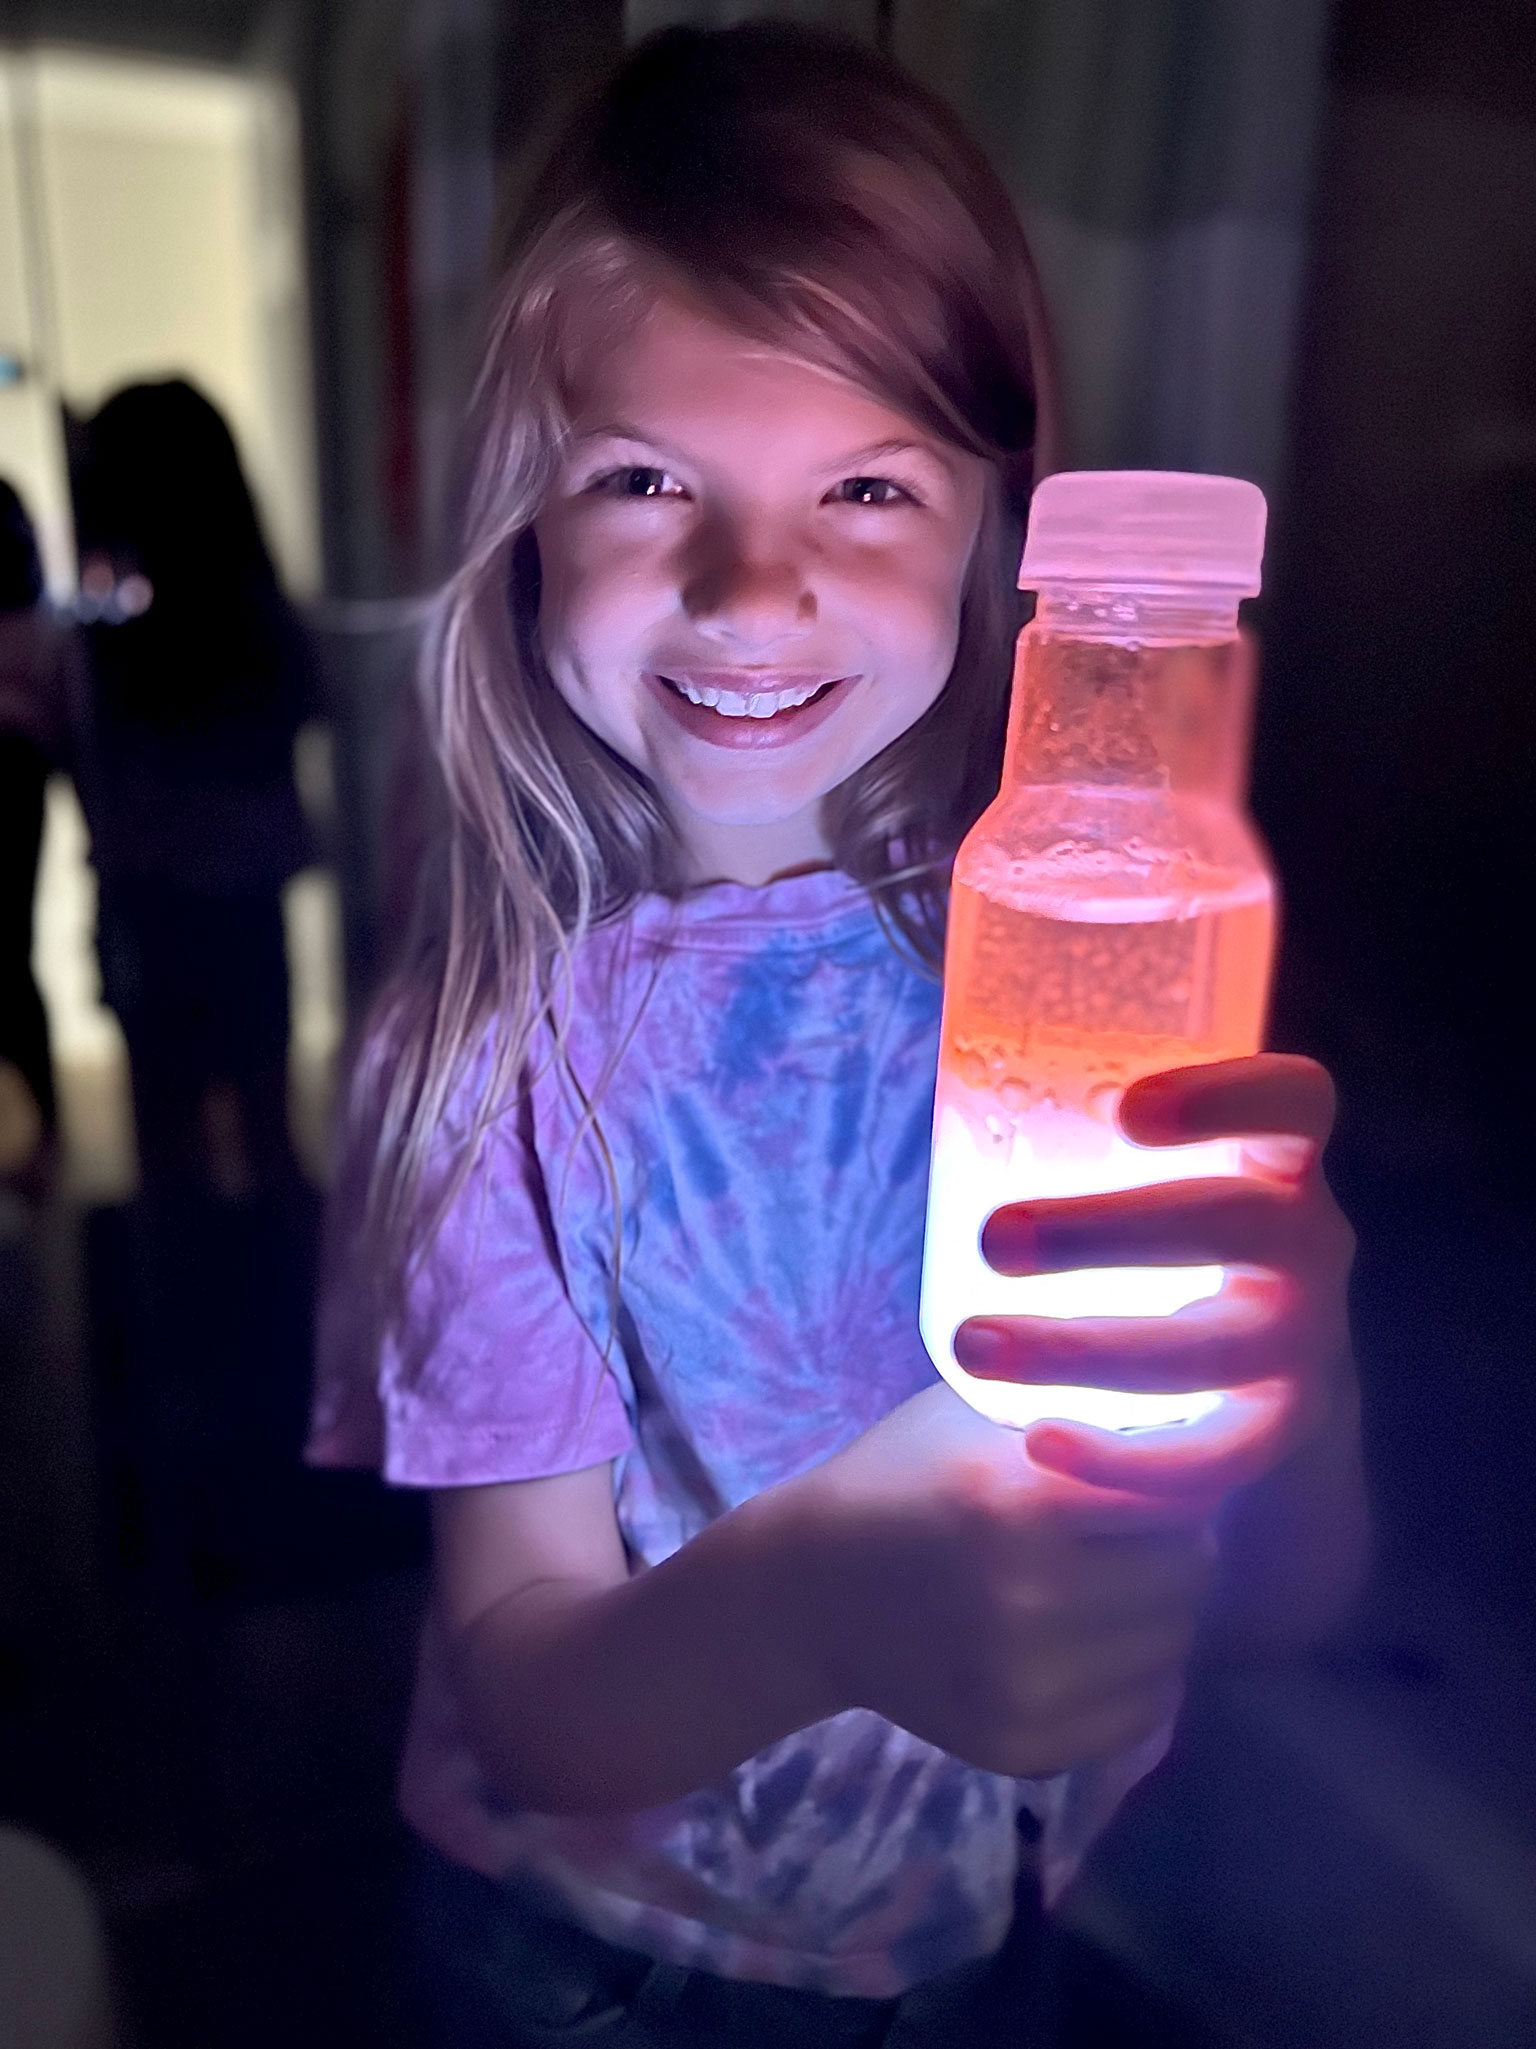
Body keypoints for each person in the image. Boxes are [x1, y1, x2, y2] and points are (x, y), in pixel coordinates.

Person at [310, 25, 1368, 2047]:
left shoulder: (1101, 969)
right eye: (642, 479)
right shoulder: (495, 1050)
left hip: (990, 1941)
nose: (753, 581)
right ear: (525, 524)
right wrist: (820, 1599)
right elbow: (534, 1690)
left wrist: (1293, 1387)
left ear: (1005, 525)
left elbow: (1292, 1594)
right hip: (602, 1972)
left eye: (870, 481)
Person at [69, 380, 315, 1198]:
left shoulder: (120, 654)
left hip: (163, 918)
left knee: (175, 1175)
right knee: (262, 1153)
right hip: (234, 914)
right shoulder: (262, 628)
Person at [0, 479, 69, 1185]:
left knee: (12, 958)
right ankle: (40, 1138)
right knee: (15, 956)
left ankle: (39, 1137)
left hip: (16, 786)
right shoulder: (37, 627)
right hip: (21, 786)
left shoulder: (32, 627)